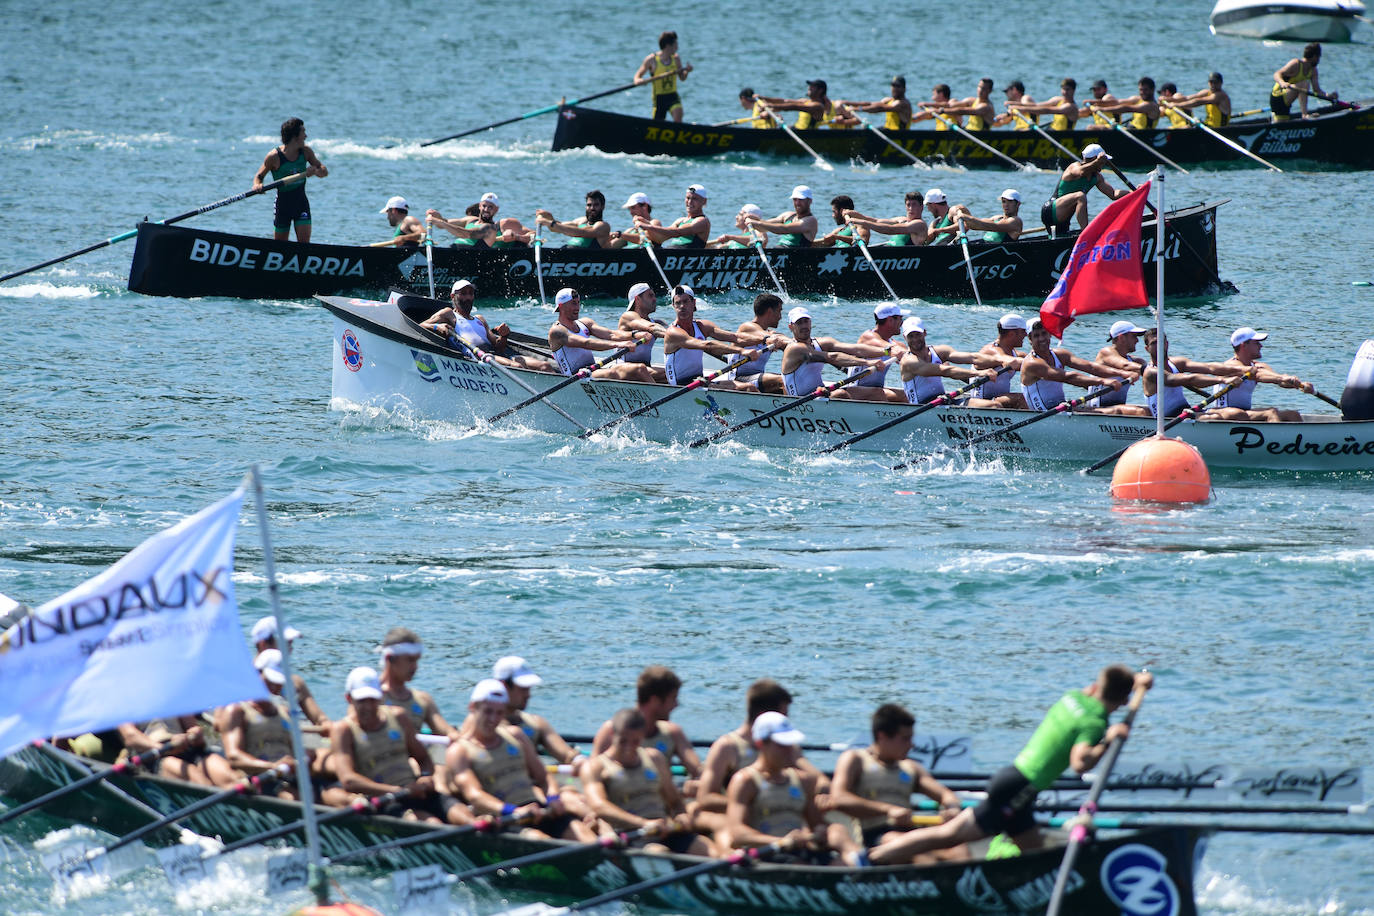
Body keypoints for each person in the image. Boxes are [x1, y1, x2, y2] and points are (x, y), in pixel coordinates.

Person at [868, 666, 1153, 863]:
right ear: (1122, 699)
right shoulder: (1095, 722)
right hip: (1018, 789)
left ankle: (1037, 893)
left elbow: (1104, 690)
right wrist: (1107, 739)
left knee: (1032, 849)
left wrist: (1136, 686)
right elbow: (1080, 764)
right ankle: (870, 859)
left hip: (1014, 781)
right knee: (947, 836)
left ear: (1095, 686)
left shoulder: (1073, 697)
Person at [445, 679, 597, 840]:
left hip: (539, 810)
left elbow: (543, 776)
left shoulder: (515, 736)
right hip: (504, 819)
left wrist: (553, 798)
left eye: (499, 713)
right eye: (488, 711)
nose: (493, 719)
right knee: (540, 840)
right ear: (472, 708)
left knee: (583, 833)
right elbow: (474, 795)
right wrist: (513, 811)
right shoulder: (459, 751)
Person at [717, 711, 866, 865]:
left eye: (790, 744)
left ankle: (859, 862)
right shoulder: (745, 781)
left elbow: (816, 823)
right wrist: (782, 841)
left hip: (800, 851)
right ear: (761, 744)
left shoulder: (803, 781)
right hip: (768, 857)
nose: (789, 750)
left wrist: (821, 831)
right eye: (782, 745)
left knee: (837, 832)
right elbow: (737, 835)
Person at [324, 667, 462, 824]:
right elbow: (348, 781)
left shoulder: (398, 717)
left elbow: (423, 758)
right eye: (362, 701)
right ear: (349, 699)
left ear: (381, 696)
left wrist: (424, 777)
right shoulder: (343, 730)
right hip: (383, 800)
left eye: (372, 699)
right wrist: (398, 791)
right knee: (431, 822)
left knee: (457, 809)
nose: (368, 706)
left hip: (414, 790)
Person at [831, 704, 964, 855]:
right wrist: (888, 810)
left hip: (911, 831)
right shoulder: (855, 759)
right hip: (877, 835)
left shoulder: (911, 767)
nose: (911, 745)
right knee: (911, 848)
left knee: (959, 849)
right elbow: (839, 797)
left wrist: (952, 808)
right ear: (882, 736)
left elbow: (946, 795)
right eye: (905, 739)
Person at [581, 707, 716, 855]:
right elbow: (599, 806)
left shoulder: (655, 758)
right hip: (631, 836)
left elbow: (675, 801)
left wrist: (681, 816)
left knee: (711, 851)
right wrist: (644, 823)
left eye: (635, 741)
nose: (628, 747)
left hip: (666, 830)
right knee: (660, 853)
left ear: (642, 737)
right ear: (613, 734)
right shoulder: (595, 767)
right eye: (623, 741)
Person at [592, 665, 703, 786]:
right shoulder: (611, 731)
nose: (676, 705)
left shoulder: (673, 732)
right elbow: (592, 774)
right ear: (655, 701)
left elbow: (698, 771)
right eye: (673, 698)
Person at [420, 280, 556, 371]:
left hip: (496, 356)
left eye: (470, 293)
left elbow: (499, 347)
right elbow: (421, 324)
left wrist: (504, 336)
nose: (468, 297)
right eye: (463, 294)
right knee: (516, 366)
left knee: (545, 366)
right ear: (452, 297)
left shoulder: (480, 319)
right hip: (480, 358)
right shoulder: (448, 314)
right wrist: (438, 327)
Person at [220, 650, 301, 798]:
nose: (275, 685)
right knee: (292, 798)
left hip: (287, 778)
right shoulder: (237, 711)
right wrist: (272, 767)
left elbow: (296, 751)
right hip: (257, 781)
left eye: (278, 680)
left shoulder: (284, 711)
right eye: (269, 679)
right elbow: (233, 757)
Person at [491, 656, 588, 773]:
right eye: (523, 689)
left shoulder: (536, 723)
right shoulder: (480, 724)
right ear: (503, 686)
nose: (528, 695)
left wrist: (579, 760)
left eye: (529, 688)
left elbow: (567, 754)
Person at [661, 285, 765, 388]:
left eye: (685, 301)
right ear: (673, 306)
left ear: (694, 303)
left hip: (698, 381)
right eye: (678, 303)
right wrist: (742, 351)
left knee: (750, 388)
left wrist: (764, 340)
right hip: (680, 387)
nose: (682, 306)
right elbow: (707, 345)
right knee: (745, 388)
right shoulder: (673, 332)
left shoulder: (702, 326)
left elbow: (735, 337)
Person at [778, 306, 891, 400]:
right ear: (791, 327)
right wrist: (867, 362)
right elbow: (832, 357)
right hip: (800, 402)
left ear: (810, 322)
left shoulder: (821, 342)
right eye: (799, 323)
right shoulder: (795, 349)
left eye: (806, 321)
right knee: (840, 395)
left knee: (877, 393)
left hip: (819, 393)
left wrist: (887, 351)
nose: (804, 326)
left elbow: (855, 349)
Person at [547, 287, 655, 381]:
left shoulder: (585, 323)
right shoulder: (557, 331)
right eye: (573, 304)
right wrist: (618, 345)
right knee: (615, 373)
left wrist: (634, 335)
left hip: (593, 371)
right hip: (576, 377)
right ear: (561, 306)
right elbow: (586, 343)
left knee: (640, 368)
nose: (577, 308)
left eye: (578, 303)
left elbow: (611, 334)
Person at [374, 627, 460, 742]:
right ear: (390, 658)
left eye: (416, 660)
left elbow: (445, 730)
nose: (415, 667)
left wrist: (457, 737)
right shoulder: (371, 696)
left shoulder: (422, 700)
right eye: (410, 660)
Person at [1020, 318, 1126, 410]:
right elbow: (1068, 377)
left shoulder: (1060, 354)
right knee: (1116, 411)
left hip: (1061, 407)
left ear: (1050, 334)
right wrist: (1103, 381)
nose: (1042, 338)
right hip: (1044, 414)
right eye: (1036, 336)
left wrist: (1122, 374)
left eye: (1044, 333)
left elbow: (1090, 367)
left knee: (1112, 408)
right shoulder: (1032, 363)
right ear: (1030, 339)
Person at [249, 615, 330, 734]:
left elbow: (319, 719)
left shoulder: (295, 683)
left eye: (291, 644)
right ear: (263, 645)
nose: (290, 650)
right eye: (286, 644)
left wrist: (328, 725)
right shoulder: (241, 681)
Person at [1213, 327, 1315, 421]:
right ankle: (1278, 438)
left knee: (1293, 415)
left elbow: (1280, 382)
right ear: (1244, 345)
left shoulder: (1260, 366)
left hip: (1244, 412)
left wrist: (1299, 385)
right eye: (1257, 343)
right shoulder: (1231, 366)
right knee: (1271, 413)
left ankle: (1298, 440)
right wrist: (1282, 378)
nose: (1261, 346)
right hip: (1224, 412)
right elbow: (1258, 375)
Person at [897, 316, 1004, 406]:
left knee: (994, 406)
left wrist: (1001, 360)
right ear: (904, 338)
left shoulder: (939, 351)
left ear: (925, 333)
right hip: (923, 408)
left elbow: (972, 357)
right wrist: (979, 373)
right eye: (911, 336)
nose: (915, 339)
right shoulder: (908, 361)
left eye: (918, 335)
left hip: (943, 401)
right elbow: (945, 371)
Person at [252, 117, 327, 243]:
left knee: (304, 245)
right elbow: (259, 177)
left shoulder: (306, 152)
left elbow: (324, 171)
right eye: (303, 132)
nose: (306, 136)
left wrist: (315, 171)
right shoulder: (274, 157)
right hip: (283, 206)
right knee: (281, 247)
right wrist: (257, 186)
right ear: (295, 136)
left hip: (301, 203)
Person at [1040, 144, 1129, 236]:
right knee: (1080, 196)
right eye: (1102, 162)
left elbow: (1113, 194)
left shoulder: (1097, 177)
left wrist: (1134, 192)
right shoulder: (1073, 167)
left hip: (1064, 218)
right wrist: (1097, 161)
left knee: (1058, 238)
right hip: (1051, 210)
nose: (1103, 165)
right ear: (1095, 159)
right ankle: (1086, 233)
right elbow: (1080, 172)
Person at [841, 304, 912, 402]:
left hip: (876, 390)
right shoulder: (868, 337)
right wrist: (898, 351)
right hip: (854, 391)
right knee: (877, 393)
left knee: (907, 395)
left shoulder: (895, 344)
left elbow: (912, 356)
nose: (902, 322)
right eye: (900, 318)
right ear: (890, 320)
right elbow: (886, 347)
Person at [1088, 321, 1152, 415]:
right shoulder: (1105, 353)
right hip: (1098, 408)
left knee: (1157, 410)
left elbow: (1149, 367)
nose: (1137, 340)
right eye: (1133, 336)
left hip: (1116, 408)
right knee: (1142, 412)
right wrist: (1148, 371)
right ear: (1121, 337)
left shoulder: (1136, 361)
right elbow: (1125, 365)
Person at [733, 293, 788, 393]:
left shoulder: (770, 334)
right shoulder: (746, 327)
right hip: (738, 379)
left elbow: (785, 340)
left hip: (756, 378)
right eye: (779, 311)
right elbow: (765, 336)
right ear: (770, 312)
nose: (780, 317)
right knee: (782, 381)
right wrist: (770, 338)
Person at [635, 30, 692, 122]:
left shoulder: (676, 59)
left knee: (678, 113)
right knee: (658, 123)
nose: (677, 47)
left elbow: (682, 78)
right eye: (676, 44)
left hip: (672, 95)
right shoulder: (652, 60)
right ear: (668, 46)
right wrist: (639, 80)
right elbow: (637, 76)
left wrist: (687, 71)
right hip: (659, 98)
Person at [617, 282, 669, 382]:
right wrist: (672, 335)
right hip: (624, 369)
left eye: (654, 296)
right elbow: (651, 327)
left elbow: (676, 331)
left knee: (679, 371)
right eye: (650, 296)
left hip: (646, 369)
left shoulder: (659, 323)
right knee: (668, 373)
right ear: (637, 299)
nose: (655, 299)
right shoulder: (627, 317)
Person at [976, 314, 1029, 408]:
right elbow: (1005, 359)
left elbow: (1033, 359)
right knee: (1023, 399)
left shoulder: (1014, 353)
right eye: (1023, 331)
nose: (1026, 334)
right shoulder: (990, 351)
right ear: (1011, 334)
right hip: (982, 401)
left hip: (998, 398)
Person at [755, 80, 853, 130]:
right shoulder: (805, 101)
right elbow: (785, 101)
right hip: (797, 129)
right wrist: (764, 98)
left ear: (820, 91)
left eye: (812, 86)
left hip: (808, 134)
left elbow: (794, 107)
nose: (809, 87)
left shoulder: (818, 106)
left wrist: (772, 106)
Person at [844, 191, 928, 247]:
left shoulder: (920, 224)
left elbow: (890, 230)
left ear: (921, 207)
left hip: (901, 260)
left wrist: (862, 222)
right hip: (889, 254)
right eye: (908, 205)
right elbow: (876, 221)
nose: (910, 208)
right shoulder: (901, 219)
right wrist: (855, 214)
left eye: (914, 205)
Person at [638, 184, 710, 248]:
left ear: (704, 201)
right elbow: (661, 237)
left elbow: (677, 232)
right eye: (688, 198)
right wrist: (645, 223)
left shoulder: (702, 221)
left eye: (694, 199)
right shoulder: (680, 220)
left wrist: (648, 226)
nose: (690, 202)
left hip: (684, 258)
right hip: (670, 255)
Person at [746, 186, 819, 248]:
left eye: (801, 200)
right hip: (779, 252)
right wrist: (755, 220)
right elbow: (763, 228)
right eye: (795, 199)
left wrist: (757, 223)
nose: (797, 203)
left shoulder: (811, 221)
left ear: (810, 201)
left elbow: (783, 229)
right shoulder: (787, 215)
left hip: (795, 256)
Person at [1271, 42, 1328, 121]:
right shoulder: (1296, 64)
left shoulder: (1313, 70)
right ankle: (1304, 114)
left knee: (1281, 126)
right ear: (1315, 57)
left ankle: (1304, 116)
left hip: (1288, 100)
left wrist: (1329, 96)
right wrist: (1282, 83)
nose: (1319, 60)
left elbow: (1317, 90)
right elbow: (1277, 74)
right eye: (1319, 57)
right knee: (1304, 83)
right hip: (1278, 96)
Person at [537, 190, 612, 249]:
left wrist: (551, 223)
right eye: (589, 205)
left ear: (603, 207)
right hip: (566, 253)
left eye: (596, 205)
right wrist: (549, 217)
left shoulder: (603, 226)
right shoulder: (581, 221)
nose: (592, 208)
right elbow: (556, 228)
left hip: (581, 258)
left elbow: (581, 232)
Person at [943, 189, 1024, 243]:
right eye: (1004, 201)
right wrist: (965, 212)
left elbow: (990, 227)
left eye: (1010, 202)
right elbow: (975, 225)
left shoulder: (1016, 221)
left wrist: (966, 217)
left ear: (1018, 204)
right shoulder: (997, 218)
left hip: (996, 254)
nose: (1006, 205)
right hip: (982, 247)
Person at [843, 75, 913, 130]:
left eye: (898, 86)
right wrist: (848, 103)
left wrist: (857, 109)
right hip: (888, 132)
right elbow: (871, 104)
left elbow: (879, 108)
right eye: (893, 85)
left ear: (904, 89)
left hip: (899, 136)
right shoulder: (888, 100)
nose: (894, 88)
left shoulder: (903, 104)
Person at [1007, 78, 1079, 131]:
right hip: (1051, 131)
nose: (1065, 92)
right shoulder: (1058, 100)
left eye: (1067, 89)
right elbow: (1036, 105)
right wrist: (1014, 105)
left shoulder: (1071, 107)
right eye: (1063, 89)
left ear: (1073, 90)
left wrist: (1020, 108)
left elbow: (1047, 111)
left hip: (1063, 137)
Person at [1089, 76, 1161, 130]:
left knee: (1091, 128)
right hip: (1128, 129)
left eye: (1145, 90)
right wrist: (1096, 103)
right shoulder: (1137, 99)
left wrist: (1102, 109)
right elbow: (1117, 102)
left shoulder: (1152, 106)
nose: (1142, 93)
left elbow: (1126, 108)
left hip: (1141, 136)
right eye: (1140, 90)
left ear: (1152, 89)